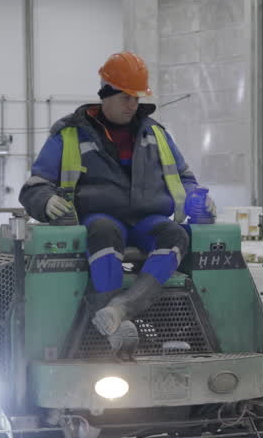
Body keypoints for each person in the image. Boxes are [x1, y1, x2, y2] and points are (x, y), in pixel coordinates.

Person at [19, 51, 213, 354]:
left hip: (147, 220)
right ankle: (109, 324)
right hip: (100, 218)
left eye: (136, 99)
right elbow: (36, 184)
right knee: (103, 231)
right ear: (105, 95)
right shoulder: (69, 134)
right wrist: (45, 200)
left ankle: (119, 310)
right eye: (126, 97)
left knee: (174, 235)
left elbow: (185, 179)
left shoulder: (157, 134)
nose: (132, 105)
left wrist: (197, 201)